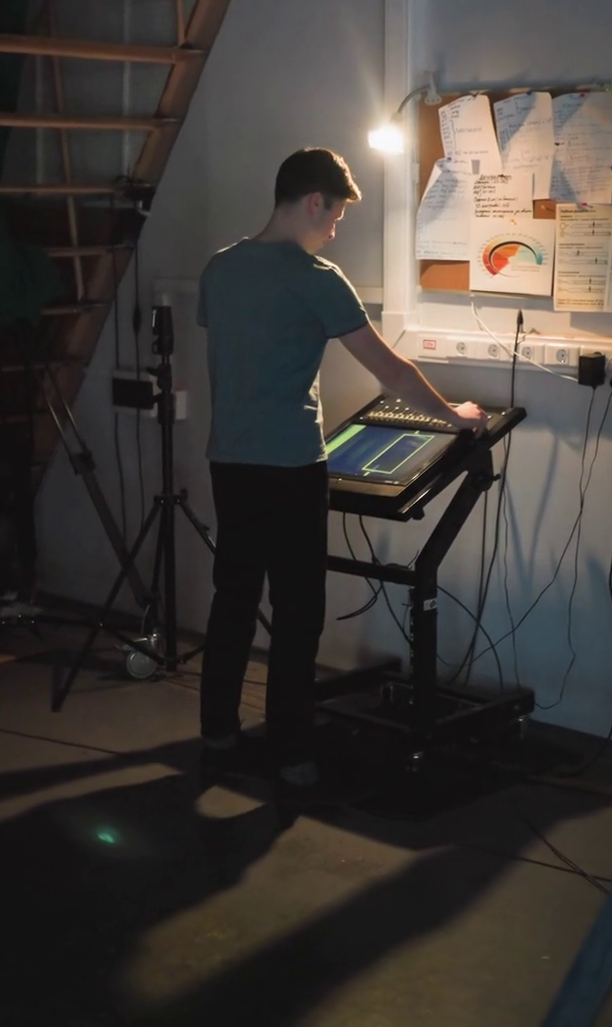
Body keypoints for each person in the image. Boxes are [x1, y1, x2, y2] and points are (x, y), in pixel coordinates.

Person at [195, 147, 486, 790]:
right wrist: (453, 415)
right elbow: (390, 370)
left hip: (230, 463)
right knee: (297, 613)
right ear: (313, 202)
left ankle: (218, 734)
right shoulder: (318, 278)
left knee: (233, 600)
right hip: (292, 466)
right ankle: (292, 755)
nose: (335, 229)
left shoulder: (220, 269)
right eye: (335, 216)